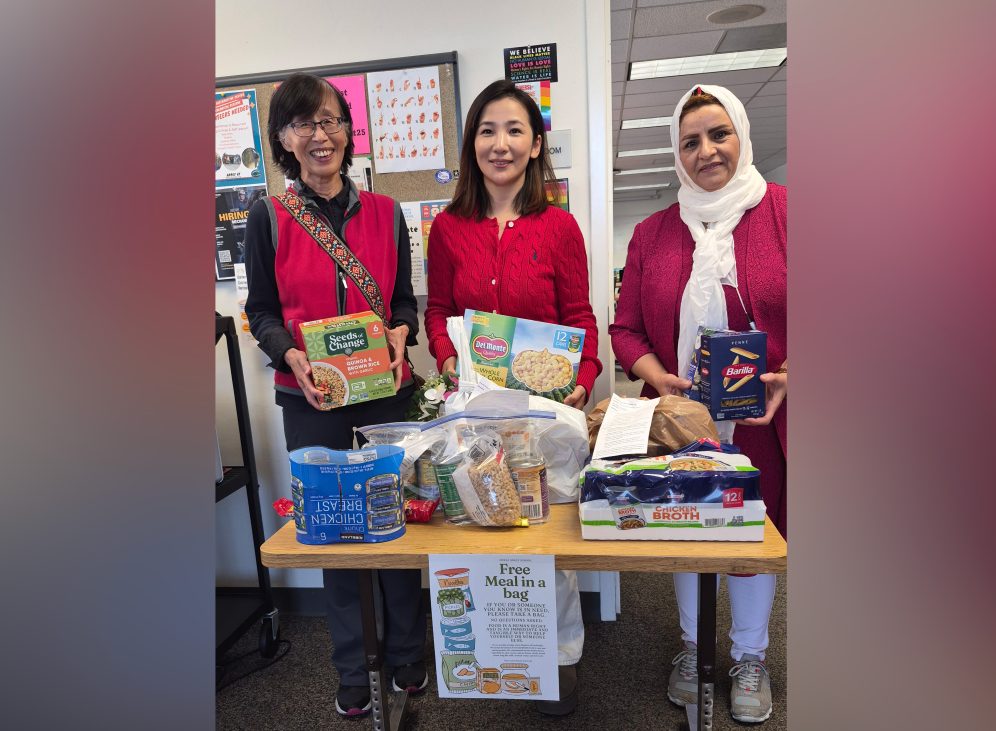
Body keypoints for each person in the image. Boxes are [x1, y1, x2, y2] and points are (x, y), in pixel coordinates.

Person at [243, 72, 427, 719]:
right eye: (302, 124)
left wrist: (403, 330)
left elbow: (404, 299)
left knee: (394, 526)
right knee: (333, 536)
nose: (319, 134)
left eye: (329, 120)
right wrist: (289, 353)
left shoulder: (386, 212)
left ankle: (408, 654)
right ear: (283, 140)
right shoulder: (268, 216)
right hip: (309, 397)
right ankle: (354, 667)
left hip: (385, 395)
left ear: (348, 131)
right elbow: (260, 310)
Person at [609, 84, 786, 724]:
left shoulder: (789, 213)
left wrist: (790, 373)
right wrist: (658, 377)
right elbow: (624, 328)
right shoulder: (655, 233)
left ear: (742, 134)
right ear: (676, 155)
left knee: (750, 535)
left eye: (719, 134)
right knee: (687, 527)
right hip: (683, 424)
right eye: (691, 142)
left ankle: (750, 656)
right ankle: (692, 646)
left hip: (767, 420)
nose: (706, 151)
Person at [424, 79, 602, 716]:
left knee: (547, 542)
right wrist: (448, 366)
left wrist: (582, 376)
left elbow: (581, 315)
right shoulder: (446, 230)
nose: (500, 144)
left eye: (514, 130)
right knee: (480, 535)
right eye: (488, 130)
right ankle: (497, 657)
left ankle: (560, 658)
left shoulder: (559, 227)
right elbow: (439, 312)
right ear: (472, 144)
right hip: (474, 414)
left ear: (535, 145)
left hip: (547, 417)